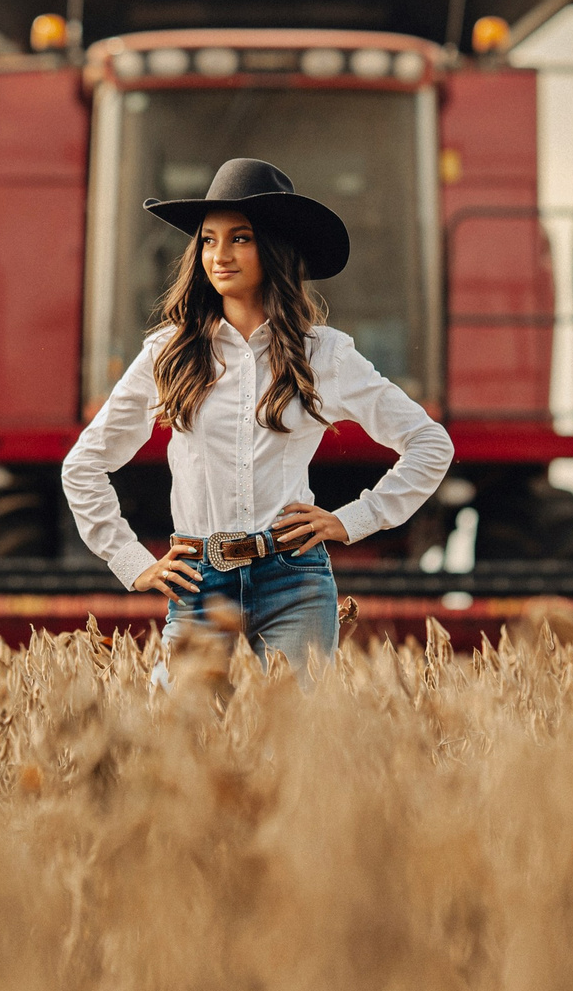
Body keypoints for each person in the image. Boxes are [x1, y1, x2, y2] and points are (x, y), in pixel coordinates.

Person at [61, 156, 454, 674]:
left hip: (296, 580)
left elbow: (430, 445)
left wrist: (351, 521)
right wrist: (133, 564)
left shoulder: (325, 354)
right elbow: (82, 467)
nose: (219, 255)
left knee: (291, 748)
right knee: (186, 747)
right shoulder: (167, 353)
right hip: (198, 581)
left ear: (274, 248)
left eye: (240, 238)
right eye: (208, 239)